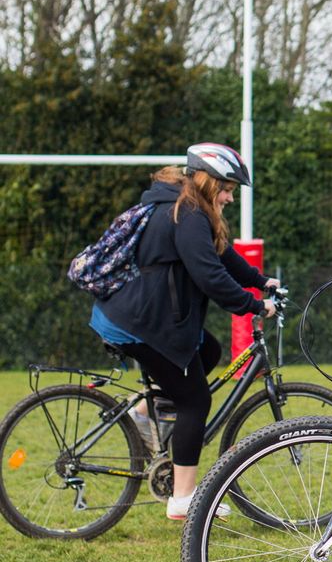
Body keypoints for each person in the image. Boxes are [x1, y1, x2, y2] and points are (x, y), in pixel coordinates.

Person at [89, 145, 279, 520]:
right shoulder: (188, 214)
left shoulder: (186, 207)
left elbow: (220, 256)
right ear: (208, 181)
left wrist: (261, 281)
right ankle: (183, 498)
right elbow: (209, 276)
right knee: (194, 401)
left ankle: (146, 413)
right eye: (226, 188)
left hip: (148, 317)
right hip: (144, 322)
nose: (228, 197)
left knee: (208, 352)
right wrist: (253, 305)